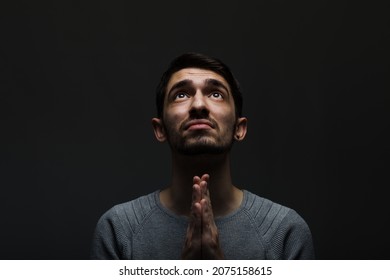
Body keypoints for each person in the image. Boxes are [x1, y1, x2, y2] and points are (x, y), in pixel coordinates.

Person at [90, 52, 315, 259]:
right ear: (160, 129)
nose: (198, 104)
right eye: (181, 95)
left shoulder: (285, 232)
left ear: (240, 128)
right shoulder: (119, 230)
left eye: (216, 94)